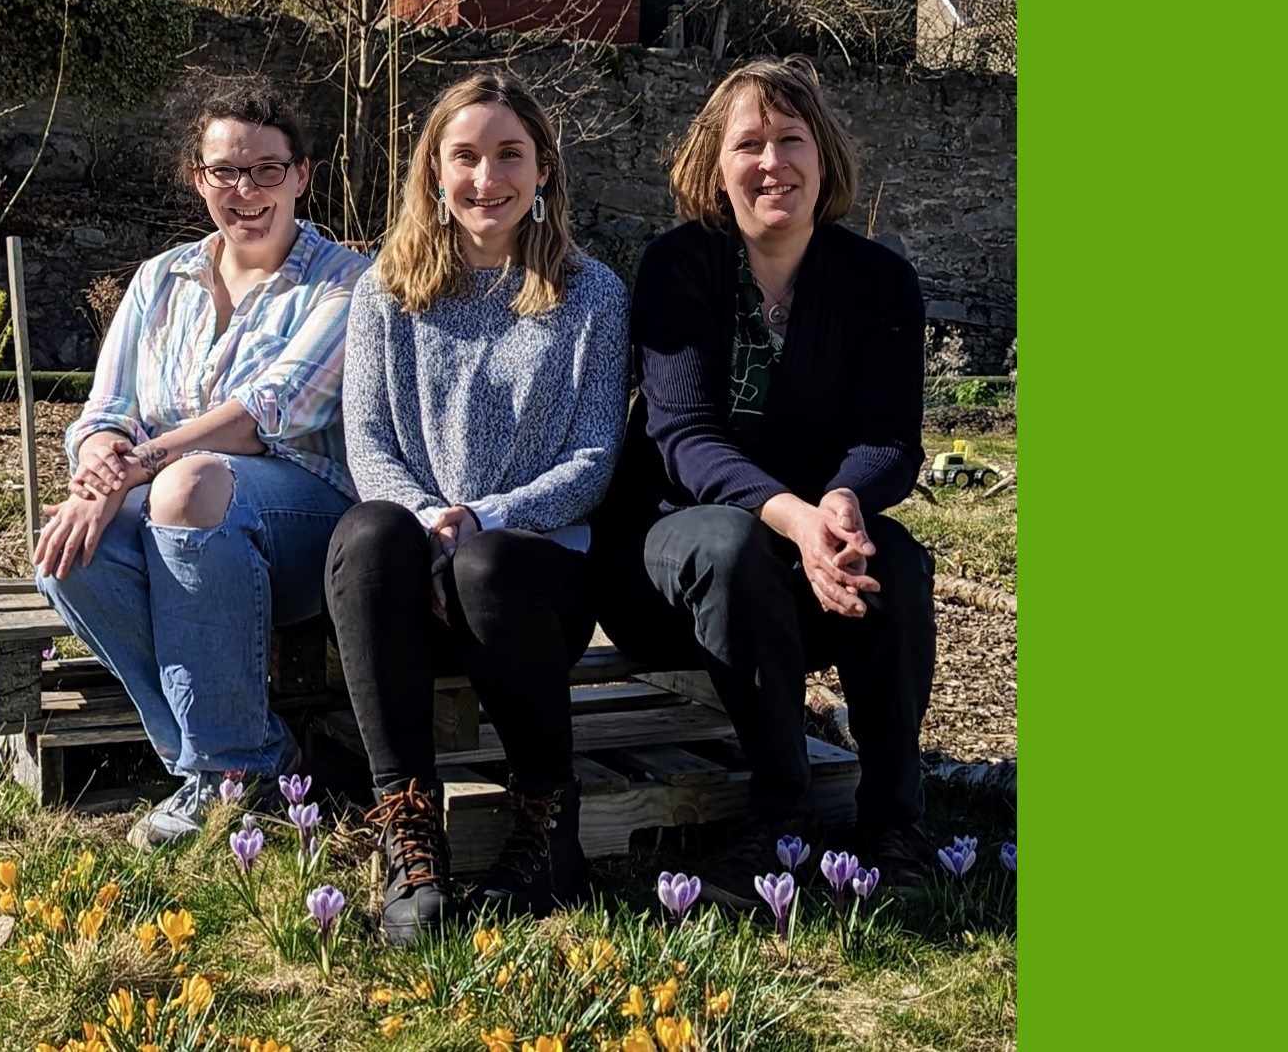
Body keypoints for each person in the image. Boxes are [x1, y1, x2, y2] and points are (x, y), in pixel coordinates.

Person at [592, 55, 936, 907]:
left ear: (825, 158)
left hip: (818, 565)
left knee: (894, 556)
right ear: (717, 165)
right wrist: (795, 517)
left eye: (792, 139)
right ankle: (778, 816)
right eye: (749, 143)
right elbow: (683, 435)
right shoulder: (678, 266)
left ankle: (894, 819)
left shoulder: (878, 280)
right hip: (675, 564)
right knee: (735, 541)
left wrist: (844, 503)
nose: (772, 161)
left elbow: (890, 435)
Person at [325, 72, 628, 943]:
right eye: (465, 156)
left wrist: (481, 518)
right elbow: (368, 442)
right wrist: (428, 518)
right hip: (410, 565)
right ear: (433, 172)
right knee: (367, 530)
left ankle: (545, 817)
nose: (485, 178)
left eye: (508, 156)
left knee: (484, 562)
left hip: (530, 579)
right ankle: (410, 827)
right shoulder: (386, 290)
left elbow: (593, 459)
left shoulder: (592, 295)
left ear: (542, 173)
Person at [34, 77, 367, 850]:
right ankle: (238, 763)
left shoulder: (346, 280)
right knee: (68, 553)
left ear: (302, 175)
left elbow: (267, 414)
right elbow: (104, 412)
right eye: (225, 171)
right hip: (171, 505)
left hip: (302, 524)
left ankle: (230, 773)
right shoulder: (160, 280)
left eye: (266, 170)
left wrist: (135, 466)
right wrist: (96, 469)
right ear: (198, 176)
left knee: (186, 482)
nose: (245, 190)